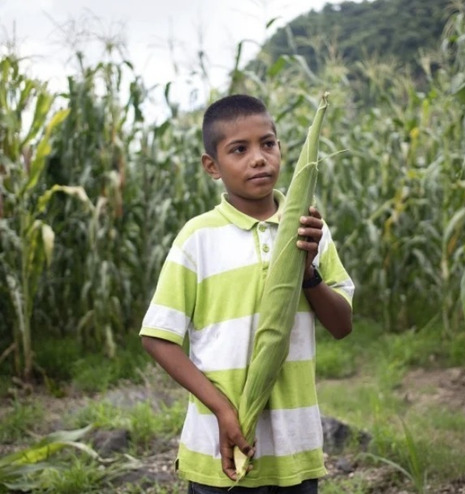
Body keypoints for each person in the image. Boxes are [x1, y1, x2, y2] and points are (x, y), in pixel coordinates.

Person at [140, 94, 354, 493]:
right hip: (217, 450)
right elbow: (157, 336)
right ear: (212, 166)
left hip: (296, 447)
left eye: (268, 144)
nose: (259, 158)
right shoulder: (197, 238)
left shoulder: (309, 229)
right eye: (239, 149)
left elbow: (342, 325)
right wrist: (222, 408)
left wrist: (308, 272)